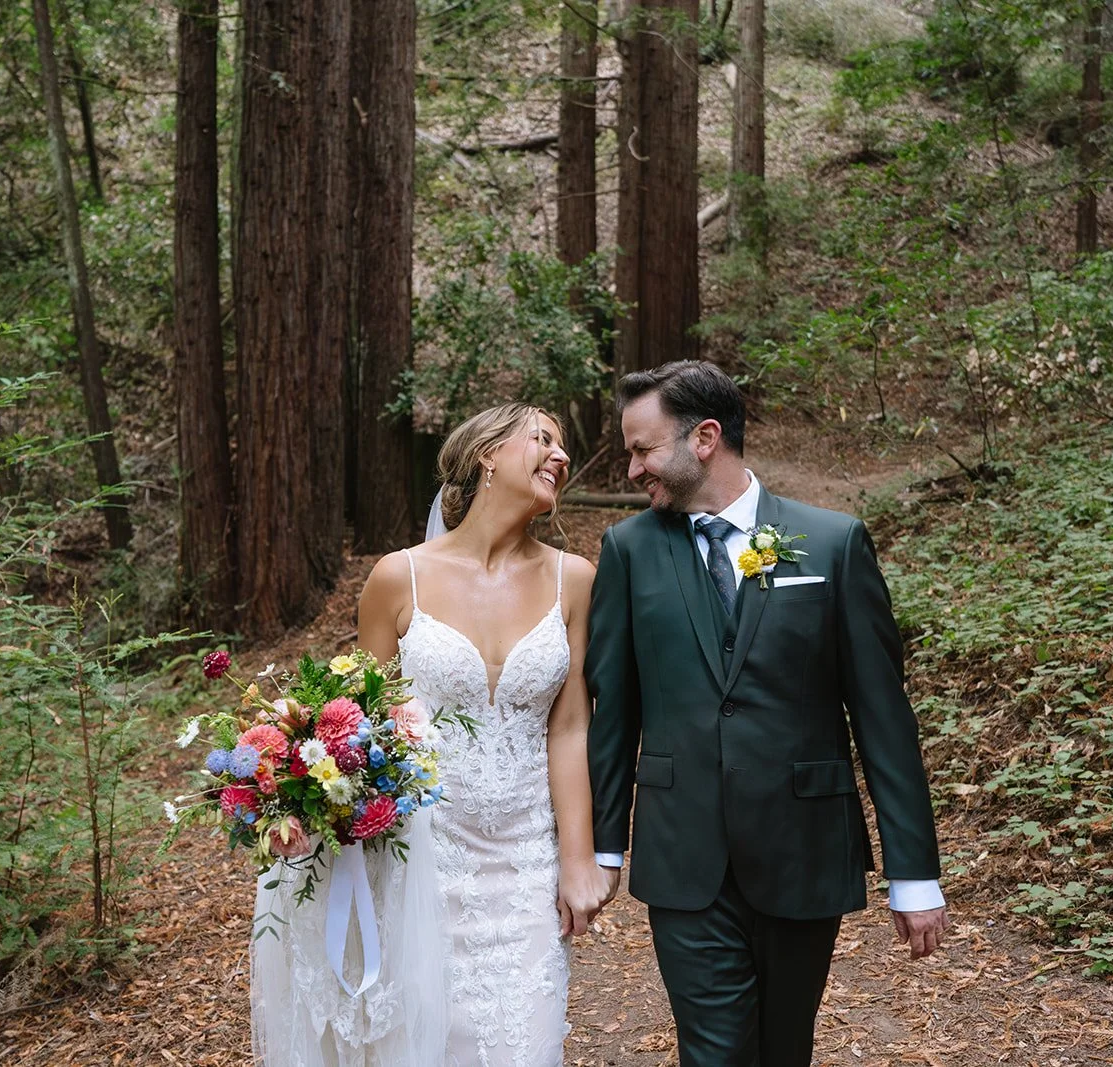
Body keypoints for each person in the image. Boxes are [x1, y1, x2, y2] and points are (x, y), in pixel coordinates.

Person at [586, 360, 950, 1067]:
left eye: (641, 448)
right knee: (715, 1052)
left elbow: (882, 716)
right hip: (684, 851)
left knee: (785, 1049)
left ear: (705, 438)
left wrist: (914, 871)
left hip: (803, 846)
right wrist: (604, 845)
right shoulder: (628, 550)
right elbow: (613, 709)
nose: (631, 470)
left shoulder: (832, 542)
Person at [250, 403, 613, 1066]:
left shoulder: (576, 579)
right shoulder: (398, 577)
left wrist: (578, 855)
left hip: (526, 857)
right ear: (487, 455)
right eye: (543, 438)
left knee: (525, 1045)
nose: (560, 455)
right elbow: (359, 725)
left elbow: (568, 725)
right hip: (421, 859)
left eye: (564, 446)